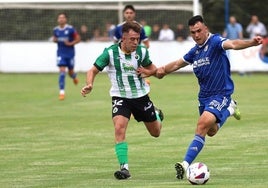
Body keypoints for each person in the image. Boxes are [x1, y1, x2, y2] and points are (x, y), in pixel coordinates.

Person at [137, 15, 263, 180]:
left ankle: (185, 164)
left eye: (198, 31)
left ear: (206, 29)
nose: (196, 35)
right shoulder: (194, 51)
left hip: (221, 93)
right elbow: (175, 64)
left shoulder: (216, 42)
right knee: (211, 131)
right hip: (204, 98)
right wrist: (156, 72)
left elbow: (232, 43)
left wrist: (251, 43)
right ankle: (230, 108)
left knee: (202, 125)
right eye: (192, 32)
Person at [81, 21, 164, 180]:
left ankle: (157, 114)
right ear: (123, 38)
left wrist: (147, 71)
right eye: (132, 39)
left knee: (156, 133)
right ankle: (124, 168)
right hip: (120, 97)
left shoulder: (142, 52)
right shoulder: (110, 53)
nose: (135, 42)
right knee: (119, 128)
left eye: (137, 39)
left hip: (140, 97)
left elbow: (155, 70)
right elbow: (92, 70)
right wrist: (89, 84)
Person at [53, 12, 81, 100]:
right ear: (58, 20)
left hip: (70, 54)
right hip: (60, 54)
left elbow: (78, 39)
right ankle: (62, 92)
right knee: (62, 72)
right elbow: (55, 39)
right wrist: (55, 40)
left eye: (63, 17)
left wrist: (70, 43)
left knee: (70, 72)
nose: (61, 19)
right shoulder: (56, 30)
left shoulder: (70, 29)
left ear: (65, 19)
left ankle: (74, 77)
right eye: (59, 18)